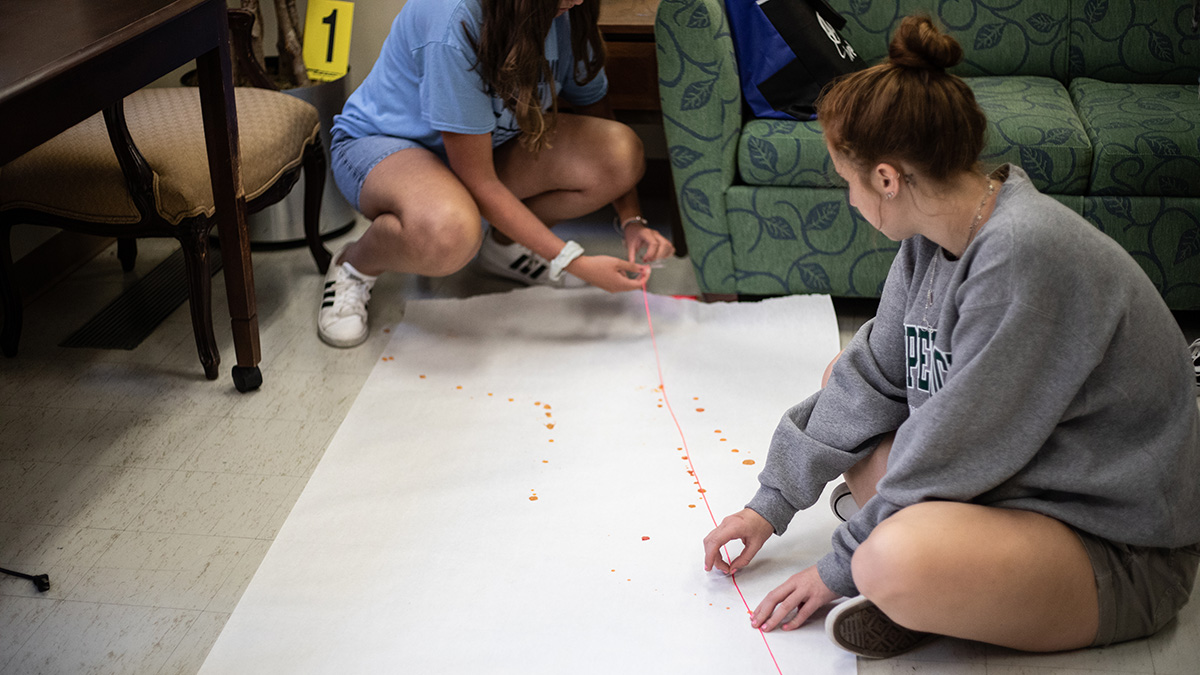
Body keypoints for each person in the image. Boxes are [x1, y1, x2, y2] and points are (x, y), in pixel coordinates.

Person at [702, 15, 1200, 660]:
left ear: (887, 177)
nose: (849, 198)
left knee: (888, 564)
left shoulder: (1022, 254)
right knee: (842, 380)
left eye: (846, 179)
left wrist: (834, 571)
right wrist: (769, 506)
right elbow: (872, 379)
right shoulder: (932, 243)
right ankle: (951, 584)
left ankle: (934, 589)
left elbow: (961, 446)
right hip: (1023, 488)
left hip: (1118, 547)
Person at [319, 0, 674, 347]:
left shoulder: (569, 11)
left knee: (619, 153)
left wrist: (632, 220)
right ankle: (354, 265)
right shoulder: (452, 16)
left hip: (479, 154)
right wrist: (574, 261)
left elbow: (598, 116)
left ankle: (504, 249)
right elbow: (480, 181)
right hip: (384, 147)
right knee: (450, 233)